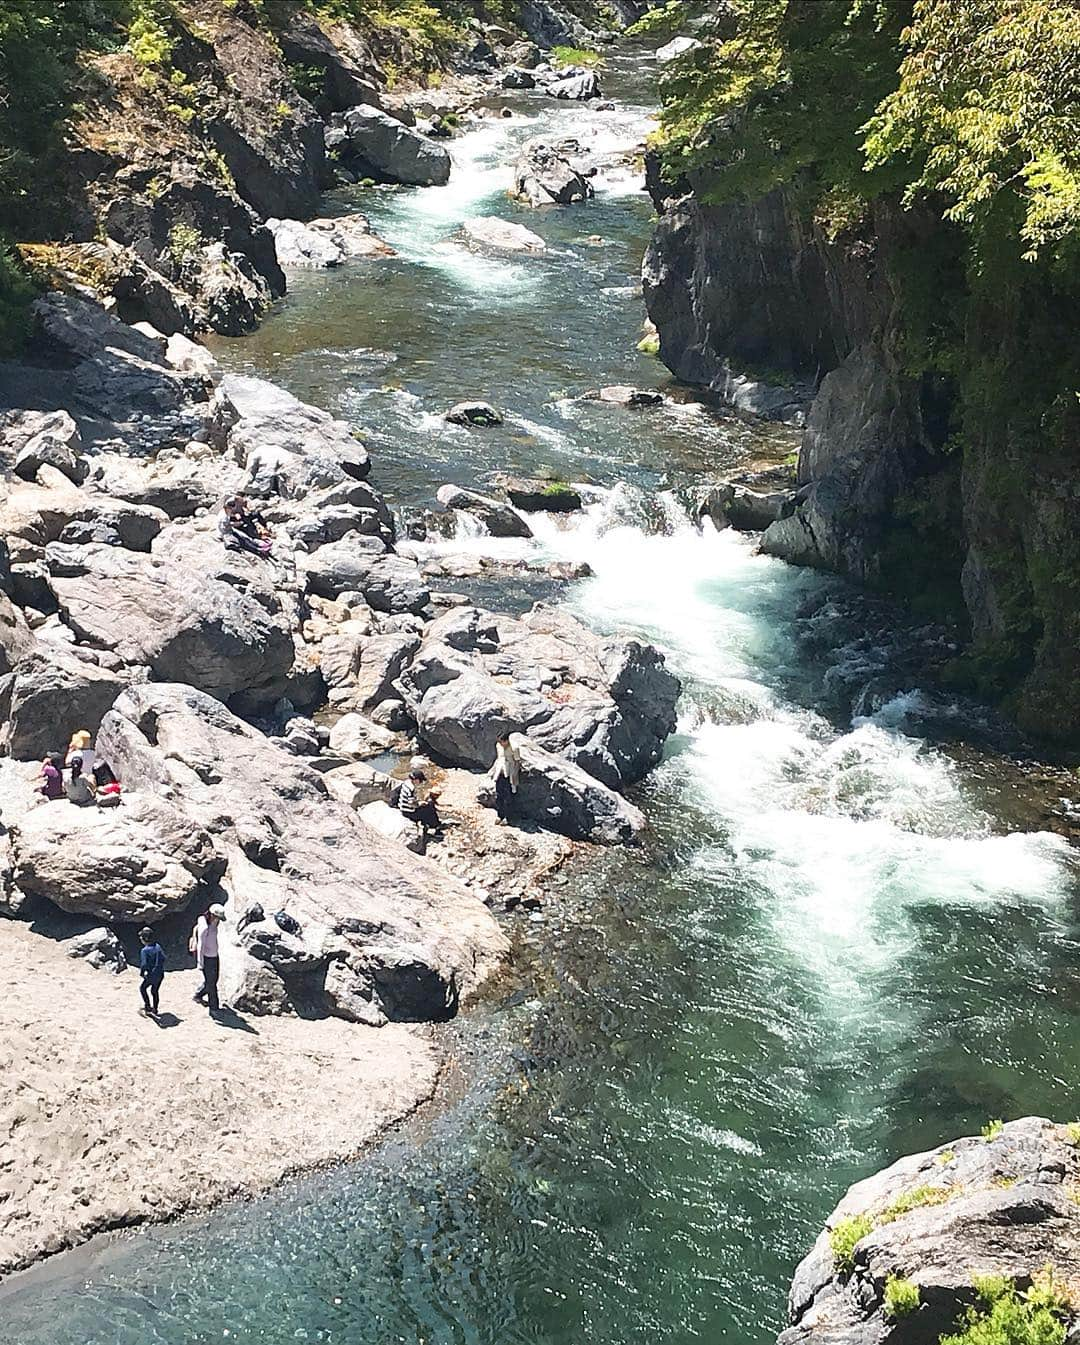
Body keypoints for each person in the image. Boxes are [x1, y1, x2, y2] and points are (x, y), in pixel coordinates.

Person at [191, 903, 226, 1013]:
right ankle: (214, 1007)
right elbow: (201, 945)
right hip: (207, 958)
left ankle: (199, 994)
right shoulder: (205, 927)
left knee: (213, 980)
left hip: (214, 955)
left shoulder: (212, 922)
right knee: (212, 985)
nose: (218, 920)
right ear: (212, 915)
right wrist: (200, 963)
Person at [398, 766, 443, 835]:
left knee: (428, 807)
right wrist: (419, 804)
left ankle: (429, 825)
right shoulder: (411, 788)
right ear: (416, 779)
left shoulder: (406, 783)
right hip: (409, 812)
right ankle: (436, 828)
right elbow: (411, 803)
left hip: (403, 808)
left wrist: (419, 803)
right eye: (420, 780)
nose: (421, 782)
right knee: (430, 809)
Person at [489, 732, 521, 825]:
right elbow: (499, 758)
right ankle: (500, 815)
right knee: (499, 795)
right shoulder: (498, 746)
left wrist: (514, 777)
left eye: (502, 741)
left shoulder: (514, 748)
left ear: (506, 741)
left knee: (508, 797)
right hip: (500, 772)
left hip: (509, 773)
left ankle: (508, 817)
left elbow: (517, 762)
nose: (500, 743)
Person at [138, 926, 166, 1017]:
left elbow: (144, 965)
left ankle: (147, 1007)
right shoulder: (158, 946)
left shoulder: (144, 951)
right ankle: (155, 1009)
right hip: (160, 974)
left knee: (143, 988)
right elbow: (163, 958)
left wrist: (142, 973)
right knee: (155, 991)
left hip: (151, 975)